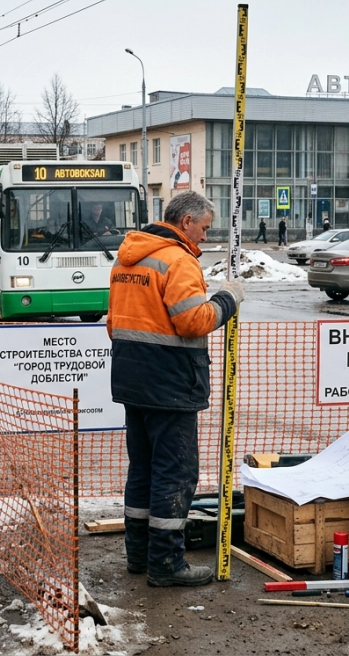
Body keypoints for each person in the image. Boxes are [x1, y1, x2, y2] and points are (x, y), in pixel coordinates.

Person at [107, 190, 243, 588]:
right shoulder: (177, 260)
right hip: (170, 382)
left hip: (131, 378)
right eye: (203, 227)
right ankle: (166, 563)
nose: (204, 235)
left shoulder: (127, 257)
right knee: (175, 472)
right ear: (186, 222)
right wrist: (228, 299)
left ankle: (139, 555)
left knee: (144, 469)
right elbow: (193, 321)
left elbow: (113, 323)